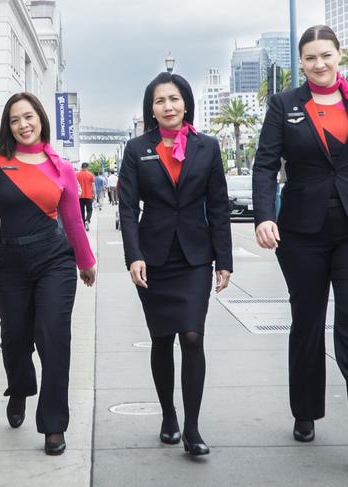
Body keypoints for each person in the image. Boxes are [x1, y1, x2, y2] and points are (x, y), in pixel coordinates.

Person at [252, 25, 348, 474]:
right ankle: (305, 409)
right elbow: (264, 164)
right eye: (310, 58)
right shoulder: (284, 105)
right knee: (307, 322)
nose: (319, 64)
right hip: (302, 233)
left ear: (340, 57)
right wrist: (264, 216)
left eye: (326, 55)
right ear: (302, 63)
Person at [0, 92, 96, 455]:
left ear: (41, 118)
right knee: (15, 341)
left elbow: (73, 220)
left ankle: (54, 424)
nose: (23, 125)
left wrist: (85, 262)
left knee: (53, 338)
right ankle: (20, 387)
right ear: (7, 127)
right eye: (15, 120)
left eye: (29, 117)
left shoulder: (60, 166)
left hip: (54, 260)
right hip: (10, 262)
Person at [118, 72, 232, 456]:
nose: (168, 106)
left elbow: (218, 206)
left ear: (186, 103)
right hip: (153, 258)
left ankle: (192, 428)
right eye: (159, 101)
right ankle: (168, 414)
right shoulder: (137, 150)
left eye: (174, 99)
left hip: (196, 257)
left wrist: (224, 260)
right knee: (162, 338)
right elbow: (128, 207)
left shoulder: (208, 147)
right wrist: (133, 255)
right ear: (151, 109)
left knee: (192, 336)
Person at [76, 162, 95, 230]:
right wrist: (94, 194)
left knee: (81, 211)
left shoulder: (77, 174)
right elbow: (93, 186)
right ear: (87, 167)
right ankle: (87, 220)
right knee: (89, 210)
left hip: (79, 196)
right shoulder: (90, 175)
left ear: (81, 167)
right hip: (88, 196)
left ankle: (83, 224)